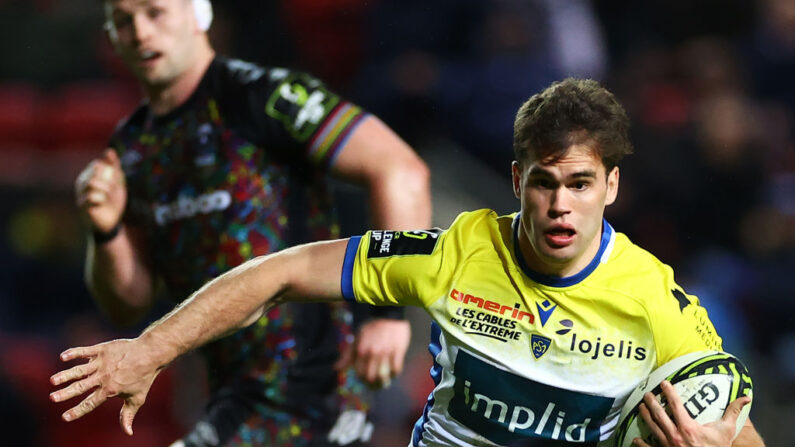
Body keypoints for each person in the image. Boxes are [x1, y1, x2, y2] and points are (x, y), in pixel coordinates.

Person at [53, 78, 764, 446]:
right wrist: (151, 347)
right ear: (516, 182)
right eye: (543, 182)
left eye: (579, 183)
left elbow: (736, 432)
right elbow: (279, 271)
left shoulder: (658, 306)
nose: (559, 205)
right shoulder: (453, 253)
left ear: (610, 185)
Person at [71, 0, 431, 445]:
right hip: (221, 398)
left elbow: (398, 168)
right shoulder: (132, 146)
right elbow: (129, 303)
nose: (141, 32)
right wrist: (105, 231)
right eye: (124, 22)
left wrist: (388, 312)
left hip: (311, 390)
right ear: (111, 39)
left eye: (155, 13)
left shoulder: (267, 96)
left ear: (198, 15)